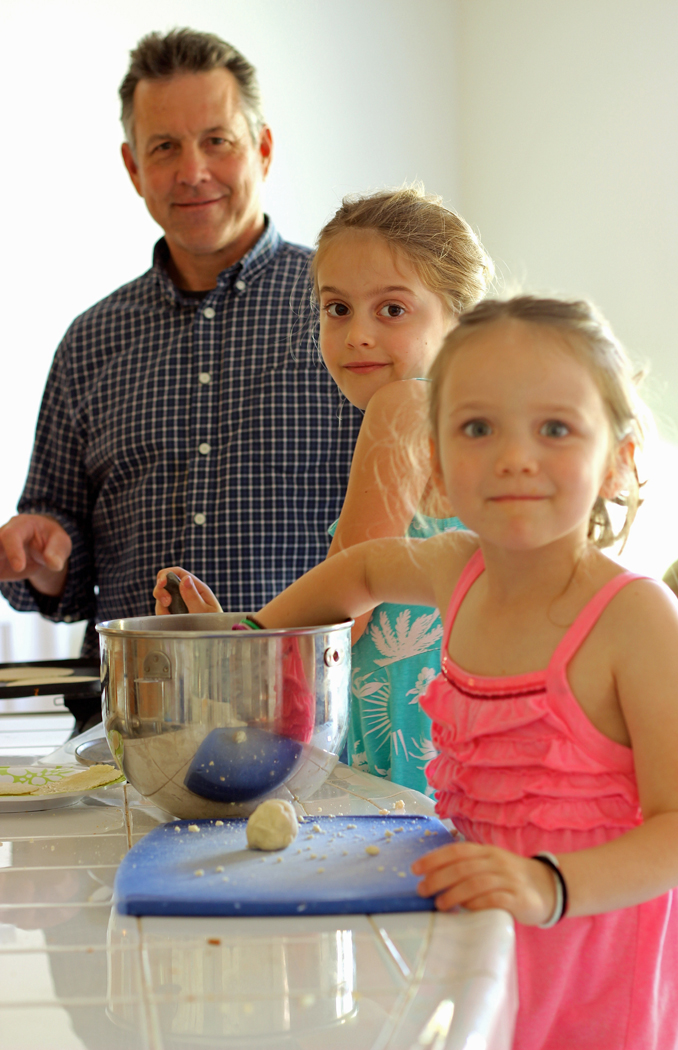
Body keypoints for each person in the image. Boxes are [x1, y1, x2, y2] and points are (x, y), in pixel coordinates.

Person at [161, 296, 678, 1048]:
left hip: (596, 961)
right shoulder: (459, 572)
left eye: (556, 428)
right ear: (437, 467)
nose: (515, 455)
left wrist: (550, 886)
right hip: (475, 937)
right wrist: (249, 636)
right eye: (478, 428)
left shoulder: (636, 620)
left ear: (619, 459)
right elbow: (365, 568)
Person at [0, 28, 361, 728]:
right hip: (135, 729)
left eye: (218, 140)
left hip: (318, 722)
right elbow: (61, 576)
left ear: (262, 148)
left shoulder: (348, 313)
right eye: (165, 147)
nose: (193, 170)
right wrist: (44, 554)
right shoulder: (90, 341)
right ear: (134, 167)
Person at [156, 186, 493, 793]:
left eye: (392, 310)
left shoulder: (401, 408)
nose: (357, 334)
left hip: (407, 758)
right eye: (337, 309)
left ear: (461, 323)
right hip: (464, 747)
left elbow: (349, 610)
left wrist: (234, 644)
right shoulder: (477, 428)